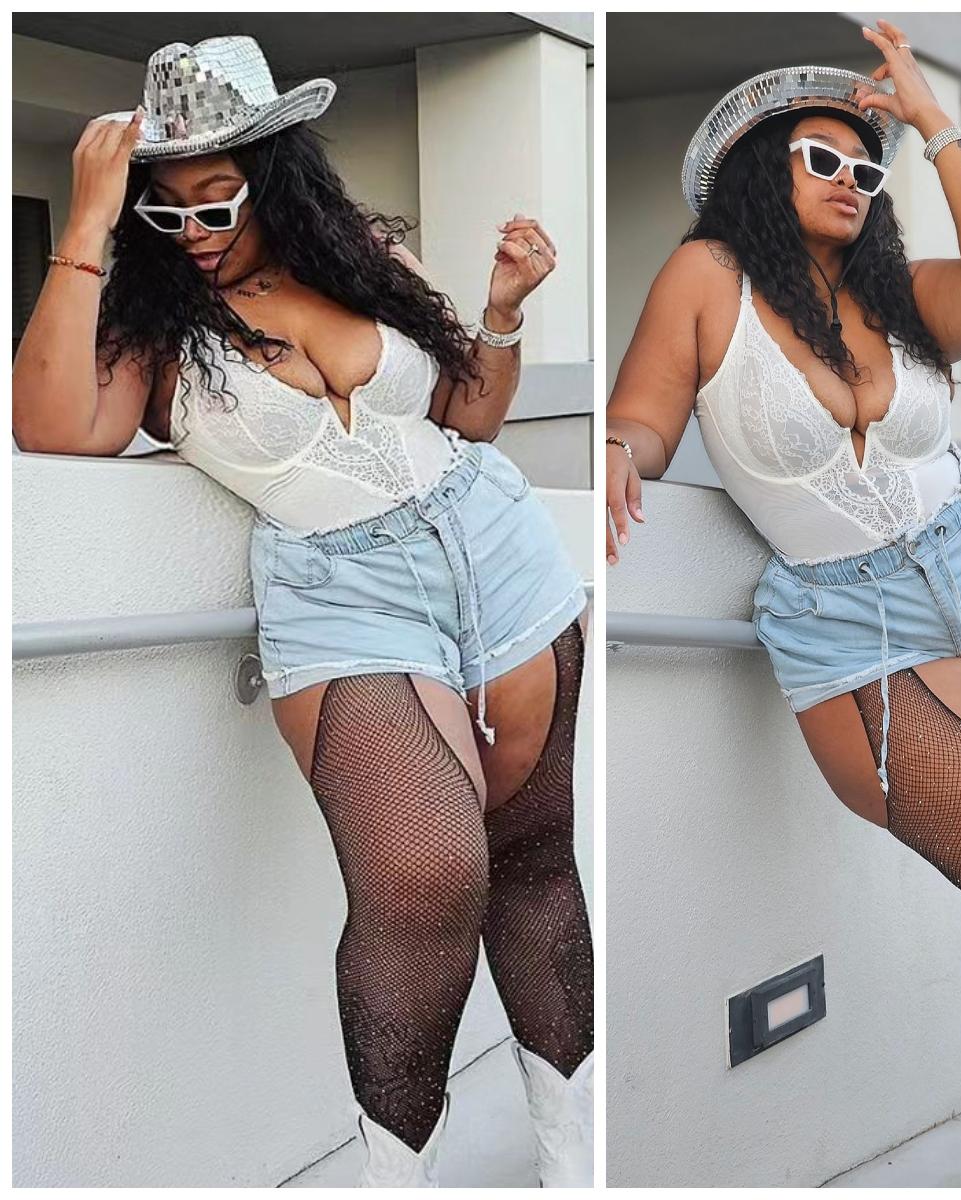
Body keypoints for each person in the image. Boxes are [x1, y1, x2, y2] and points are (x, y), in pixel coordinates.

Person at [13, 35, 593, 1189]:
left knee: (531, 863)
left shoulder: (370, 260)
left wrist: (504, 312)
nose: (195, 229)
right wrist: (82, 228)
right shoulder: (150, 327)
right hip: (343, 593)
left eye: (216, 199)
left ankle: (572, 1165)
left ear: (273, 173)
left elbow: (468, 415)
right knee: (426, 877)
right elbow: (51, 428)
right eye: (164, 210)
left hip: (502, 554)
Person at [605, 21, 961, 1188]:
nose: (855, 181)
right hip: (849, 622)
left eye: (868, 170)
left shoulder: (903, 296)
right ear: (762, 169)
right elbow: (650, 412)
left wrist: (929, 120)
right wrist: (618, 448)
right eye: (825, 160)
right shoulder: (709, 277)